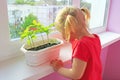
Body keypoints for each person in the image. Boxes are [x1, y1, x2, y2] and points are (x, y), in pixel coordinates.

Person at [50, 6, 102, 80]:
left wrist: (58, 68)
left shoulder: (82, 45)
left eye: (62, 32)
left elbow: (75, 75)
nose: (62, 35)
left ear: (70, 30)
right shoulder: (95, 38)